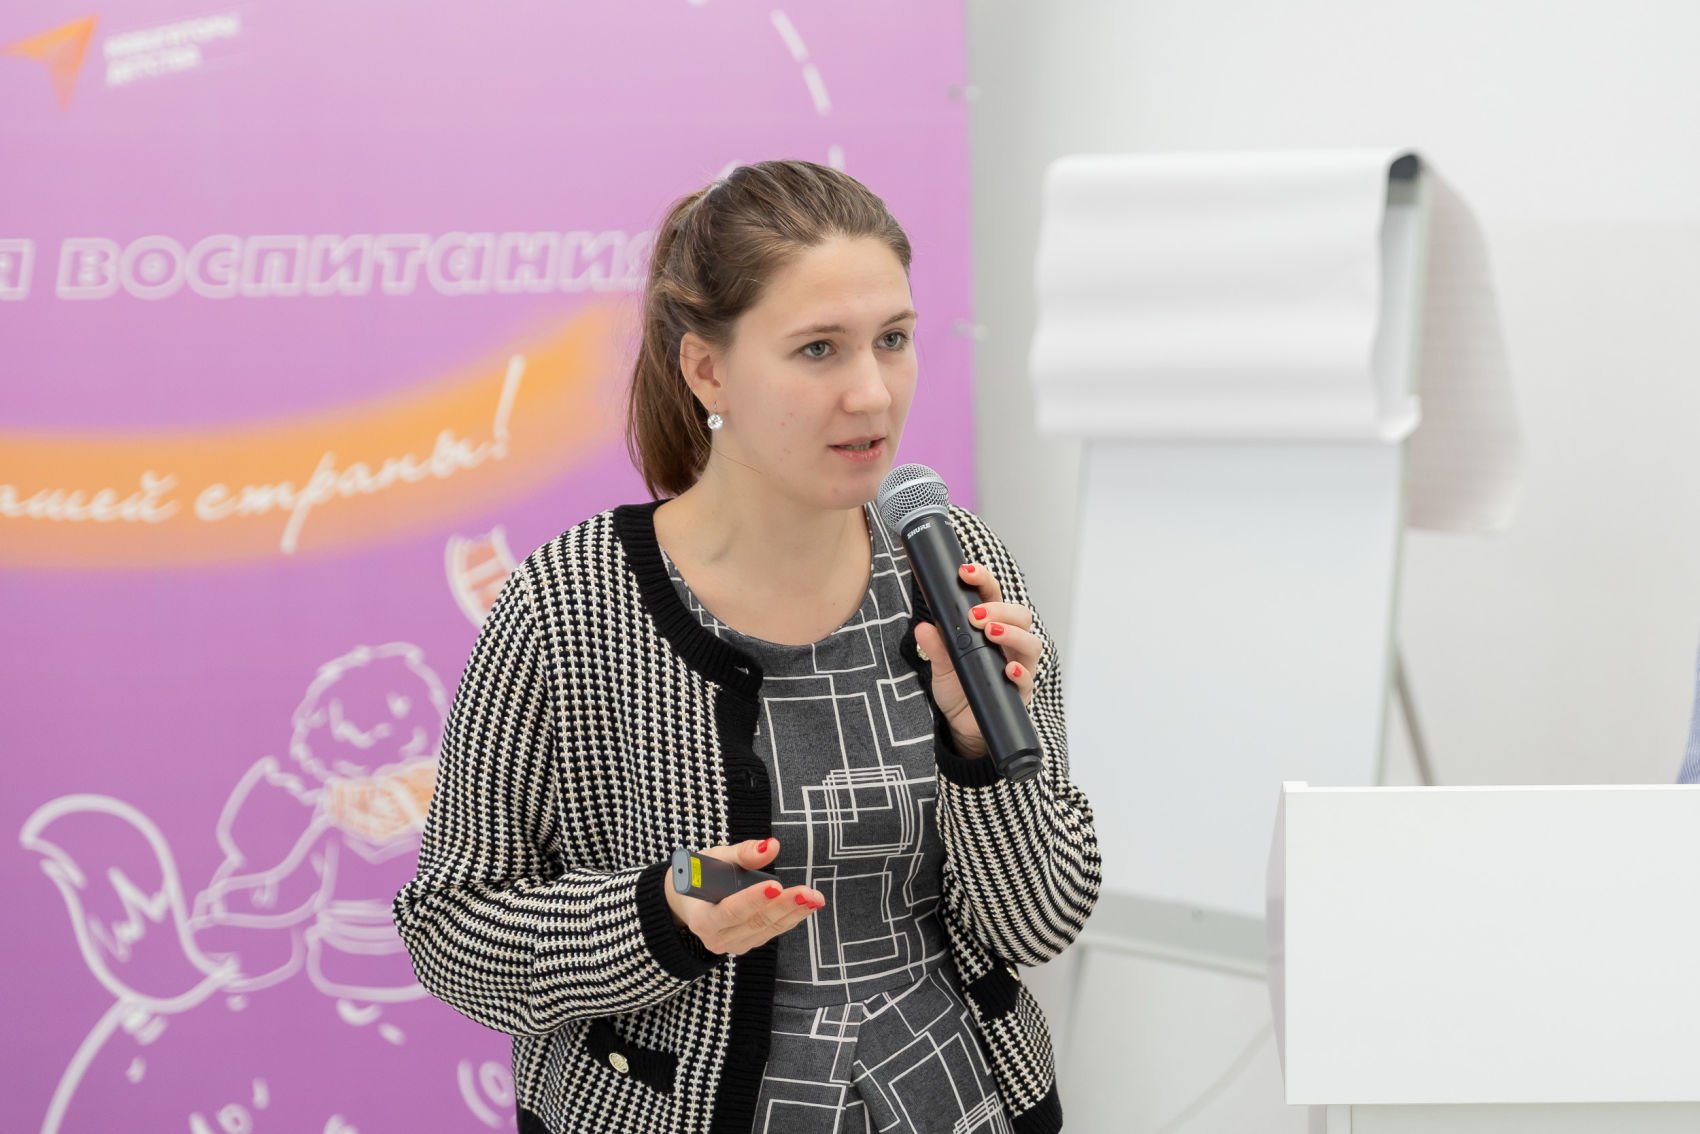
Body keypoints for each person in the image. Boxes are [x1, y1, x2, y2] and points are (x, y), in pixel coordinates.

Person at [393, 159, 1101, 1134]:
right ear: (707, 370)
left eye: (892, 340)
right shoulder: (572, 602)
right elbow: (451, 927)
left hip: (961, 1101)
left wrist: (980, 753)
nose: (871, 394)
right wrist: (659, 912)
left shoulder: (955, 566)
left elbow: (1041, 919)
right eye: (818, 350)